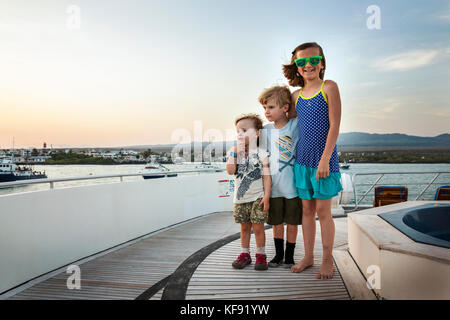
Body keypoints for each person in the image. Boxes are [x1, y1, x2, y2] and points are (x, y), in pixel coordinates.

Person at [282, 42, 343, 279]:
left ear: (322, 63)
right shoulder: (296, 96)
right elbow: (288, 124)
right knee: (306, 210)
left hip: (323, 160)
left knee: (323, 211)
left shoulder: (329, 87)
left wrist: (325, 159)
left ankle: (327, 260)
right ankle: (309, 256)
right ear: (296, 67)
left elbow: (335, 125)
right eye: (301, 62)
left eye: (313, 60)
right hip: (302, 161)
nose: (308, 65)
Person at [258, 85, 302, 268]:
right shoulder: (265, 131)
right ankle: (278, 255)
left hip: (292, 185)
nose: (266, 112)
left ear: (285, 107)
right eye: (264, 108)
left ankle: (289, 257)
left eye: (271, 107)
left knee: (292, 223)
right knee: (277, 223)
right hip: (273, 186)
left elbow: (301, 102)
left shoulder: (295, 125)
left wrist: (289, 99)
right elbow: (262, 158)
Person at [226, 113, 271, 271]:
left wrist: (267, 196)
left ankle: (261, 254)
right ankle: (245, 254)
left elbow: (266, 177)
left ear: (256, 134)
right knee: (244, 228)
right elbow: (230, 171)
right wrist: (234, 153)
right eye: (238, 131)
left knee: (258, 228)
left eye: (244, 130)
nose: (239, 134)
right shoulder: (234, 151)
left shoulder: (262, 153)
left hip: (257, 198)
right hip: (240, 199)